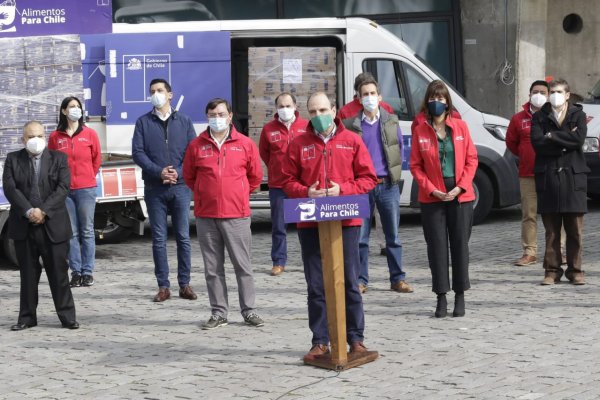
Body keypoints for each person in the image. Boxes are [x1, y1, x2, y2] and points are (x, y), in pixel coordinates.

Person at [283, 92, 377, 361]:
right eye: (313, 112)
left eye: (323, 110)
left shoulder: (352, 140)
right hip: (310, 221)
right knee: (316, 284)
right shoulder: (299, 143)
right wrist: (305, 191)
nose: (318, 116)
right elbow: (286, 180)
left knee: (349, 280)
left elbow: (368, 178)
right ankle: (320, 341)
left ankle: (356, 340)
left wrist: (343, 189)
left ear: (334, 110)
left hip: (346, 221)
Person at [183, 98, 265, 330]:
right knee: (212, 268)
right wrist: (205, 193)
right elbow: (189, 176)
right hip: (206, 216)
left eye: (221, 114)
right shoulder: (196, 145)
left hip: (236, 215)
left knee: (243, 266)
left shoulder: (245, 144)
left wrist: (236, 195)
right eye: (212, 114)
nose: (216, 118)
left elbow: (255, 177)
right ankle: (219, 312)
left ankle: (249, 311)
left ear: (230, 116)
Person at [409, 80, 478, 318]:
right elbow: (415, 166)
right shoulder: (420, 130)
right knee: (437, 249)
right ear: (427, 102)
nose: (436, 103)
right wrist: (431, 189)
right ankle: (441, 297)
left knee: (460, 246)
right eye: (432, 98)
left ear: (447, 102)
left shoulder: (460, 127)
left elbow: (472, 160)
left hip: (460, 196)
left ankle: (460, 295)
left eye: (441, 99)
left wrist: (460, 188)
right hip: (433, 197)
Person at [3, 121, 79, 330]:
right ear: (23, 140)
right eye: (30, 137)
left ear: (45, 138)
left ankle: (67, 316)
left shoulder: (58, 159)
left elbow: (63, 188)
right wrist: (29, 211)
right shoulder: (13, 159)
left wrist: (43, 211)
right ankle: (27, 317)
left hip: (53, 225)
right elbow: (11, 189)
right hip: (24, 226)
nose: (35, 141)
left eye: (39, 136)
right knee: (27, 275)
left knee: (59, 273)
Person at [342, 77, 412, 294]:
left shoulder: (391, 120)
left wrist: (393, 174)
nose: (370, 98)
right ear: (359, 98)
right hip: (362, 187)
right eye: (365, 94)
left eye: (373, 93)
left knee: (393, 236)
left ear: (380, 97)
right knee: (361, 238)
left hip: (387, 185)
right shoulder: (351, 125)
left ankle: (397, 279)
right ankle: (361, 280)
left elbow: (398, 147)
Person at [132, 78, 197, 302]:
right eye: (152, 91)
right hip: (154, 188)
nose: (156, 94)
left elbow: (192, 152)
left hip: (180, 187)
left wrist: (177, 172)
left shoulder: (185, 121)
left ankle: (185, 284)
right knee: (158, 238)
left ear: (170, 94)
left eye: (160, 90)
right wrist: (159, 171)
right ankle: (163, 286)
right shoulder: (143, 122)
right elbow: (138, 153)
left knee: (183, 237)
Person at [530, 78, 589, 285]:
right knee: (552, 231)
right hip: (549, 177)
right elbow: (537, 143)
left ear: (567, 95)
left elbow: (578, 140)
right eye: (551, 91)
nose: (554, 95)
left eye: (558, 91)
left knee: (574, 229)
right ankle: (552, 271)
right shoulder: (539, 117)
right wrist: (565, 139)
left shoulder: (578, 115)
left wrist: (552, 136)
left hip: (573, 177)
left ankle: (576, 270)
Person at [48, 97, 101, 287]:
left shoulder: (90, 134)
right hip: (64, 191)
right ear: (63, 111)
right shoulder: (56, 137)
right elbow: (51, 163)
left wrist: (88, 177)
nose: (75, 110)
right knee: (71, 232)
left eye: (78, 106)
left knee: (87, 231)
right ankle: (76, 272)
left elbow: (96, 159)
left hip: (86, 189)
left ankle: (88, 272)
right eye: (71, 107)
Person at [259, 92, 308, 276]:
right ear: (276, 108)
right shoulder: (268, 129)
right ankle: (279, 261)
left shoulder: (305, 127)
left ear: (295, 106)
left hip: (301, 185)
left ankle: (309, 259)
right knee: (279, 226)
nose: (285, 109)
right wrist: (276, 166)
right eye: (281, 106)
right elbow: (264, 153)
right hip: (278, 185)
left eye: (288, 105)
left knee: (305, 225)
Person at [506, 81, 550, 266]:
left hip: (551, 172)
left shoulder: (554, 116)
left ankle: (559, 251)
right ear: (529, 94)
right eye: (535, 92)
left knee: (555, 214)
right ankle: (530, 251)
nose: (538, 95)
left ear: (548, 96)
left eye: (542, 92)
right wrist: (526, 155)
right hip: (527, 173)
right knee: (529, 214)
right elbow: (511, 143)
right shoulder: (518, 119)